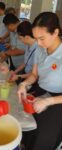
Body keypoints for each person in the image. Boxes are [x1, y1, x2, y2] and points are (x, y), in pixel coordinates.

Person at [17, 12, 62, 150]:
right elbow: (34, 75)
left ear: (55, 32)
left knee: (43, 139)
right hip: (40, 91)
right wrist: (24, 84)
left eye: (42, 38)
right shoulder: (40, 49)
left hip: (57, 101)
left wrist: (48, 101)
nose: (39, 43)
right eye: (36, 38)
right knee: (29, 130)